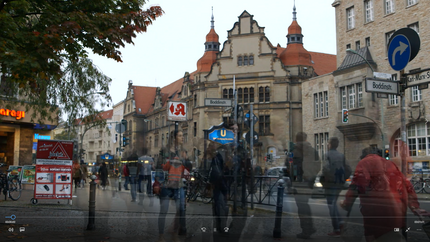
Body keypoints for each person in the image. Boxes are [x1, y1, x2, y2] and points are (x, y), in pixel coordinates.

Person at [340, 147, 423, 242]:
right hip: (396, 214)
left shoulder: (364, 163)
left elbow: (357, 186)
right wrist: (414, 206)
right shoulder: (391, 164)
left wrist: (347, 203)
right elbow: (407, 185)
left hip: (377, 216)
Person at [157, 130, 192, 242]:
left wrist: (186, 159)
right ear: (174, 138)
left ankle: (175, 234)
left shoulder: (183, 150)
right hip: (167, 185)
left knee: (181, 209)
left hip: (179, 184)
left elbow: (188, 166)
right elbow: (159, 166)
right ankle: (161, 236)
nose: (182, 138)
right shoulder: (165, 150)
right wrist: (159, 182)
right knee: (164, 210)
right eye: (180, 136)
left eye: (183, 135)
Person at [291, 131, 320, 239]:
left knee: (302, 207)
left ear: (296, 140)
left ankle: (307, 229)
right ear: (306, 139)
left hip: (299, 183)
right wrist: (311, 177)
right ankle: (309, 228)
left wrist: (293, 180)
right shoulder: (313, 150)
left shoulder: (294, 151)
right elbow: (318, 165)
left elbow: (291, 167)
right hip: (309, 182)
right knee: (305, 205)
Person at [321, 137, 345, 237]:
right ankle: (340, 223)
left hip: (330, 183)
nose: (327, 145)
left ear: (330, 144)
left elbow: (325, 168)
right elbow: (346, 168)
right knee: (334, 204)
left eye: (328, 143)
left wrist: (324, 180)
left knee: (331, 206)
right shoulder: (341, 155)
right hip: (339, 183)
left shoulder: (327, 155)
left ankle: (336, 229)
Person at [207, 141, 229, 234]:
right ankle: (220, 225)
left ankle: (220, 224)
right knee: (219, 205)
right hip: (218, 183)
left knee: (219, 205)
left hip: (219, 182)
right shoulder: (213, 157)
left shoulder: (217, 156)